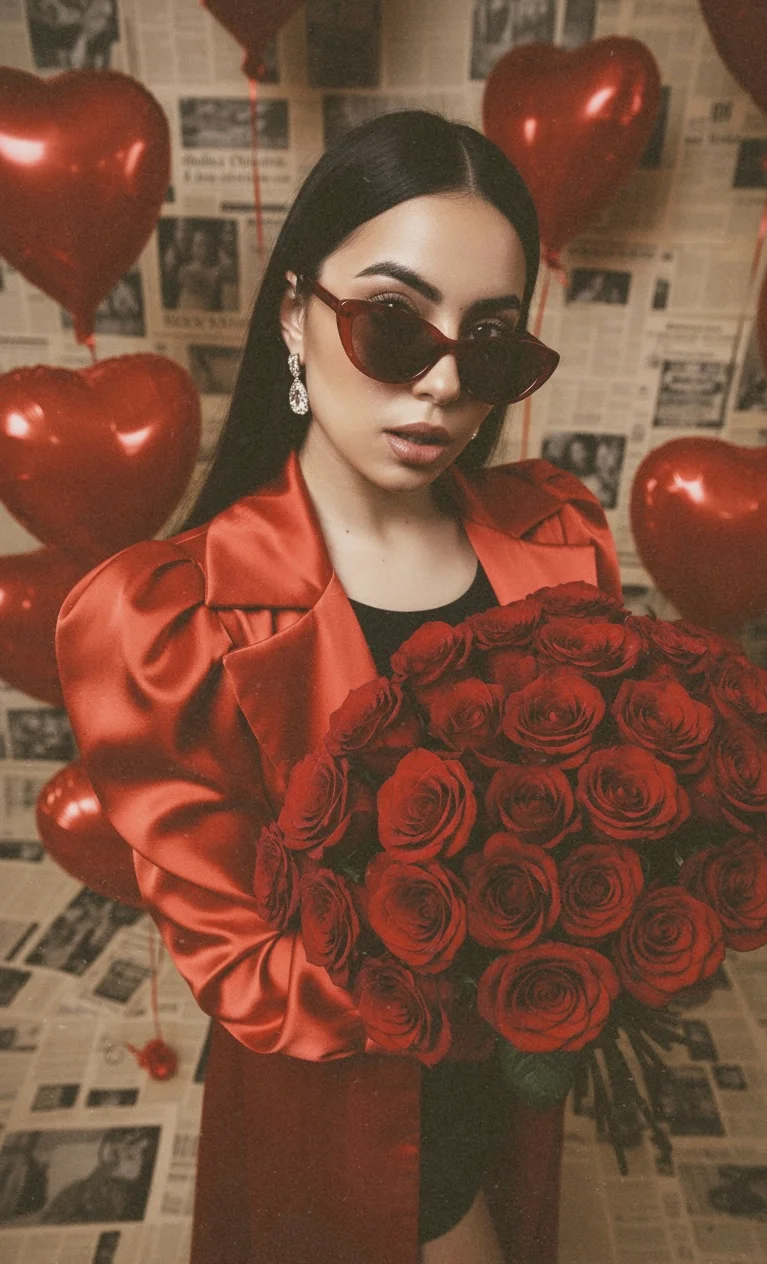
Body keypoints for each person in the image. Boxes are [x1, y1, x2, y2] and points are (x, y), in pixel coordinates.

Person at [56, 110, 622, 1264]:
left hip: (518, 1077)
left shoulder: (560, 539)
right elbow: (245, 964)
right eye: (393, 324)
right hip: (343, 1103)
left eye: (491, 344)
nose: (444, 385)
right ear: (292, 315)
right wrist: (487, 959)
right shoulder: (173, 620)